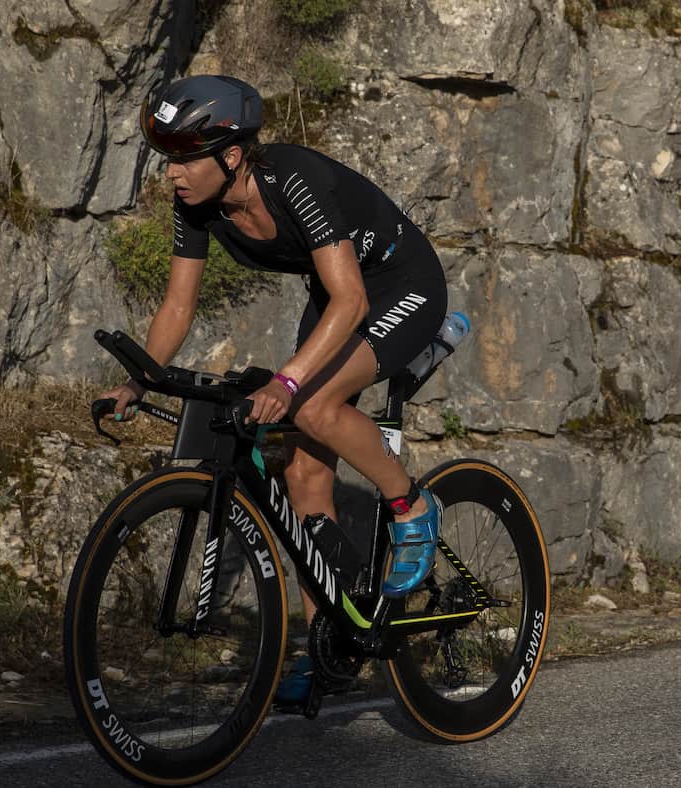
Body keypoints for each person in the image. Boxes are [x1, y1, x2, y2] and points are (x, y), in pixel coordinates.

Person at [98, 74, 447, 706]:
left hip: (398, 284)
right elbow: (179, 306)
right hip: (336, 295)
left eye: (184, 158)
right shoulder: (195, 205)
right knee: (304, 478)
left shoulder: (293, 178)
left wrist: (288, 380)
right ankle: (328, 648)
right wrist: (139, 377)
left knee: (312, 406)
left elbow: (353, 298)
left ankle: (410, 506)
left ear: (231, 155)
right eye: (167, 159)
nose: (172, 173)